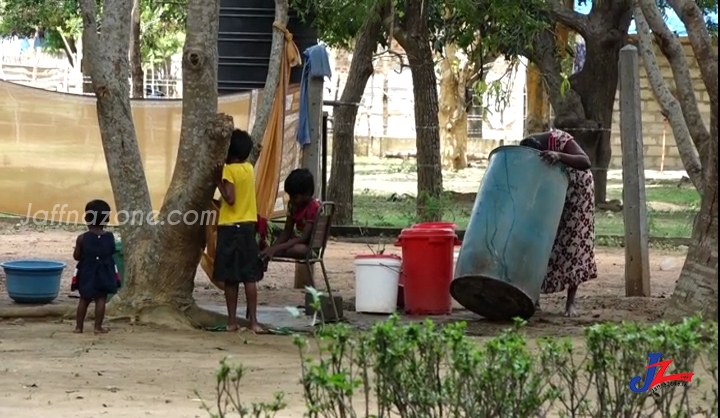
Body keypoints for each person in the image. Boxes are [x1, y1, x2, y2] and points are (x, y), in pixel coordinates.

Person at [519, 129, 597, 317]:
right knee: (543, 243)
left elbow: (585, 162)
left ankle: (570, 303)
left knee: (573, 243)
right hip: (555, 191)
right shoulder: (532, 149)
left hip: (578, 194)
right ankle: (533, 298)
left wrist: (559, 155)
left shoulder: (560, 140)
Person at [212, 128, 264, 333]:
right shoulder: (248, 168)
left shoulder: (229, 170)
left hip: (230, 228)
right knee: (249, 277)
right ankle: (254, 322)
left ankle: (232, 321)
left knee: (231, 278)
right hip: (248, 227)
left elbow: (230, 198)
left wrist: (217, 181)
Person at [72, 199, 120, 334]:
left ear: (87, 218)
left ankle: (78, 327)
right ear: (106, 219)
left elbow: (76, 256)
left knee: (84, 299)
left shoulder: (82, 238)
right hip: (104, 272)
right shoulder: (110, 237)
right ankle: (97, 327)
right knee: (101, 299)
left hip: (87, 272)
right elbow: (111, 251)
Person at [260, 168, 320, 261]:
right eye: (290, 196)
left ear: (307, 193)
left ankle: (272, 253)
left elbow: (303, 238)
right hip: (293, 241)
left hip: (307, 247)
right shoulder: (292, 205)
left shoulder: (313, 207)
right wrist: (273, 248)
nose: (291, 199)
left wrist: (277, 248)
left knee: (296, 249)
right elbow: (287, 231)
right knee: (265, 225)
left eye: (295, 197)